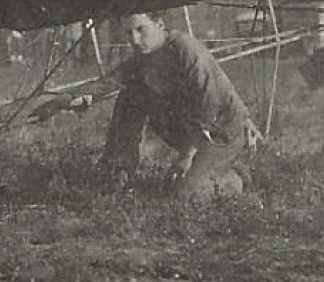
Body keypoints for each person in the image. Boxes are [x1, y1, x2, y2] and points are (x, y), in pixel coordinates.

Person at [101, 11, 258, 200]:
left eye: (141, 29)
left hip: (221, 129)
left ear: (159, 24)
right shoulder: (143, 56)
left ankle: (234, 177)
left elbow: (210, 104)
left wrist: (187, 155)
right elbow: (109, 82)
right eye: (129, 33)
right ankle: (119, 168)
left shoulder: (186, 50)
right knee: (130, 93)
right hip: (193, 127)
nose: (134, 39)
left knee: (187, 195)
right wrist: (66, 98)